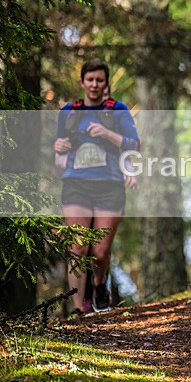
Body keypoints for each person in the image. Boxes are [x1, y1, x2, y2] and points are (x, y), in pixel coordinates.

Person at [53, 59, 139, 314]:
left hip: (110, 186)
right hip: (76, 185)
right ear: (82, 82)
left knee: (100, 252)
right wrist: (58, 148)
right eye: (90, 79)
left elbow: (134, 145)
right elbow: (59, 150)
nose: (94, 84)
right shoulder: (69, 112)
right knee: (78, 247)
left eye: (99, 80)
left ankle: (99, 284)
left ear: (105, 83)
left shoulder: (117, 110)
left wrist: (107, 134)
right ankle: (79, 309)